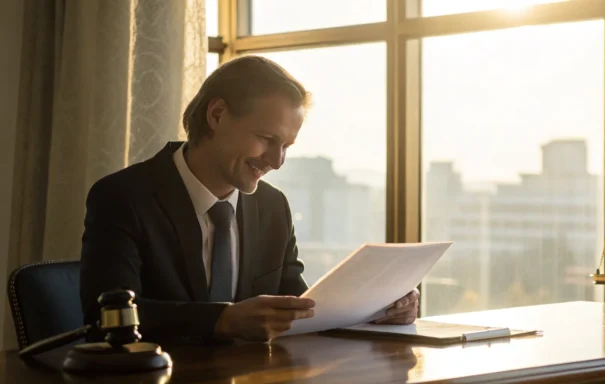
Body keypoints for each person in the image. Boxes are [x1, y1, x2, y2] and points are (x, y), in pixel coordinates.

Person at [79, 56, 419, 344]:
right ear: (217, 115)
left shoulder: (273, 208)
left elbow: (296, 307)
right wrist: (223, 319)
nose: (276, 161)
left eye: (286, 146)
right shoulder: (123, 197)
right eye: (267, 139)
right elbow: (106, 315)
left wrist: (380, 309)